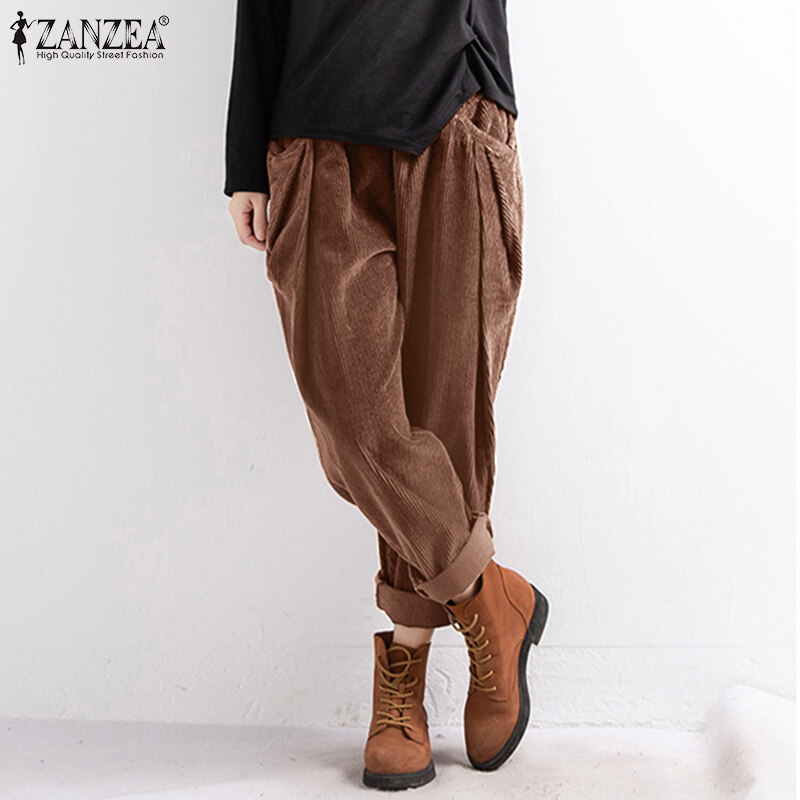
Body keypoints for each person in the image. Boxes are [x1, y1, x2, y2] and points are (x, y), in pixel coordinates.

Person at [223, 0, 551, 790]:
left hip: (456, 103)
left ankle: (404, 674)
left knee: (446, 419)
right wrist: (245, 156)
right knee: (357, 419)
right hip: (315, 124)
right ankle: (488, 598)